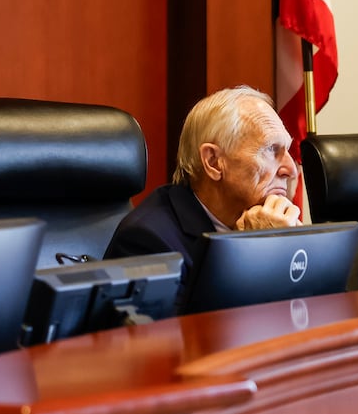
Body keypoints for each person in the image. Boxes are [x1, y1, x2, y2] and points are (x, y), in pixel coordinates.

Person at [103, 85, 302, 281]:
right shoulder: (147, 241)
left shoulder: (276, 227)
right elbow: (201, 314)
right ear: (214, 162)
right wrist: (249, 253)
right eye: (271, 149)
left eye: (287, 151)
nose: (291, 170)